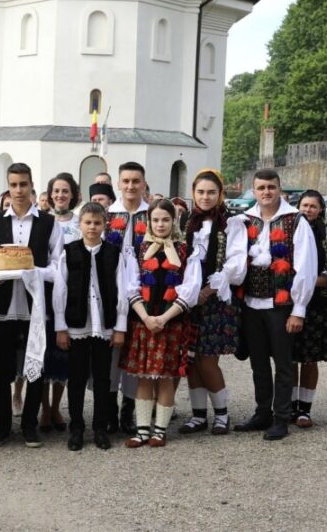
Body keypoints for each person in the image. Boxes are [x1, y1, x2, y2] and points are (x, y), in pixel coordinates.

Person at [228, 168, 316, 441]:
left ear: (280, 189)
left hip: (282, 306)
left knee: (283, 364)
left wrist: (298, 309)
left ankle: (281, 418)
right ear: (253, 190)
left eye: (271, 187)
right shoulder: (243, 220)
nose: (266, 192)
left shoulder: (295, 221)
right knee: (258, 364)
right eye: (261, 187)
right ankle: (262, 412)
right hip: (251, 303)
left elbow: (306, 268)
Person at [0, 163, 63, 449]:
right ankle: (3, 426)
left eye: (23, 184)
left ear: (31, 186)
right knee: (2, 368)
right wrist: (8, 270)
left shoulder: (48, 223)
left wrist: (34, 272)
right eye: (14, 185)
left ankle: (29, 425)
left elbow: (57, 266)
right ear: (8, 186)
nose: (19, 190)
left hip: (34, 305)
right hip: (2, 305)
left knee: (35, 366)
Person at [54, 203, 137, 450]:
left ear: (104, 225)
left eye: (97, 223)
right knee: (76, 378)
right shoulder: (68, 252)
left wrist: (120, 327)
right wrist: (61, 326)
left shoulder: (114, 253)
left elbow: (121, 290)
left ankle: (100, 427)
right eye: (87, 222)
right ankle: (76, 428)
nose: (92, 227)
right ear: (80, 225)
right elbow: (60, 290)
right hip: (76, 325)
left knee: (103, 378)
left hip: (105, 324)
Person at [121, 199, 201, 448]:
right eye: (155, 219)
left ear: (173, 221)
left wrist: (164, 318)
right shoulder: (138, 248)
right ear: (149, 221)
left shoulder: (187, 250)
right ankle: (142, 430)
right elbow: (130, 284)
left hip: (172, 322)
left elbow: (191, 288)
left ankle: (160, 431)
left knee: (165, 376)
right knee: (144, 376)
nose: (160, 224)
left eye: (165, 219)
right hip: (143, 321)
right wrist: (145, 318)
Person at [180, 169, 243, 436]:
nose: (205, 197)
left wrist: (209, 289)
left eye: (211, 192)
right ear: (193, 193)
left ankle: (222, 414)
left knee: (207, 360)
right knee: (190, 359)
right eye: (201, 192)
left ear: (220, 195)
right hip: (187, 299)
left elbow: (236, 263)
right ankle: (198, 415)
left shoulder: (232, 223)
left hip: (216, 300)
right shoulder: (186, 221)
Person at [290, 190, 327, 429]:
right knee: (290, 357)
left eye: (313, 206)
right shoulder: (289, 229)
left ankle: (305, 409)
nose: (308, 210)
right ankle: (290, 405)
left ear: (321, 209)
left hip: (318, 303)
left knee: (310, 358)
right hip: (291, 301)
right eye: (304, 205)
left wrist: (310, 280)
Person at [104, 162, 151, 435]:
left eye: (136, 181)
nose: (131, 186)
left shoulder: (153, 214)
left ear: (144, 184)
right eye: (126, 181)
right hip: (112, 293)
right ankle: (109, 408)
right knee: (112, 353)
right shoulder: (108, 215)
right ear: (118, 184)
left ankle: (128, 410)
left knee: (136, 353)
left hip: (144, 294)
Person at [41, 172, 81, 433]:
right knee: (45, 352)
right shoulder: (42, 222)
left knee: (63, 355)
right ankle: (45, 409)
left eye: (65, 191)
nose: (60, 195)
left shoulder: (79, 223)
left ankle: (57, 406)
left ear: (73, 195)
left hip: (72, 292)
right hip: (45, 290)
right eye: (56, 191)